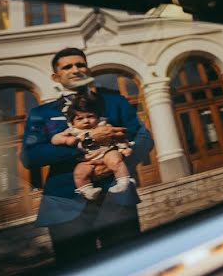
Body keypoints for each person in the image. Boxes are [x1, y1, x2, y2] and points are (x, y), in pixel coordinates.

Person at [20, 47, 154, 265]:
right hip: (64, 204)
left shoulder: (114, 101)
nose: (75, 69)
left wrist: (116, 163)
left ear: (88, 69)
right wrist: (87, 140)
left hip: (115, 198)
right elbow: (30, 157)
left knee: (130, 264)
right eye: (67, 67)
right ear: (56, 76)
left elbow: (144, 139)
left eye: (80, 65)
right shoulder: (41, 114)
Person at [52, 90, 135, 201]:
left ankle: (124, 181)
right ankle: (87, 191)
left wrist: (124, 147)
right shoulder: (72, 130)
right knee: (79, 172)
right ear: (72, 122)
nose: (86, 121)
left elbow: (118, 135)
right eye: (80, 118)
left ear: (97, 117)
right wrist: (66, 140)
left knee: (115, 160)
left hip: (106, 151)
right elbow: (55, 139)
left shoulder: (103, 126)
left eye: (90, 116)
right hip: (87, 159)